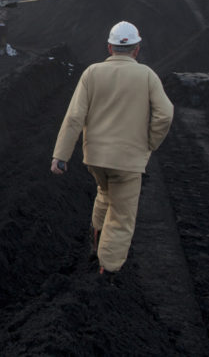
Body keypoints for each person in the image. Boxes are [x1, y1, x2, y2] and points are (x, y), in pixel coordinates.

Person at [50, 20, 174, 276]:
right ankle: (107, 274)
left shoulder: (92, 73)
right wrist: (150, 143)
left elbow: (74, 117)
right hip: (127, 162)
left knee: (105, 194)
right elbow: (165, 115)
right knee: (121, 218)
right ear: (136, 50)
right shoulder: (147, 75)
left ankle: (96, 244)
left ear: (109, 47)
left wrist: (60, 156)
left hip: (95, 159)